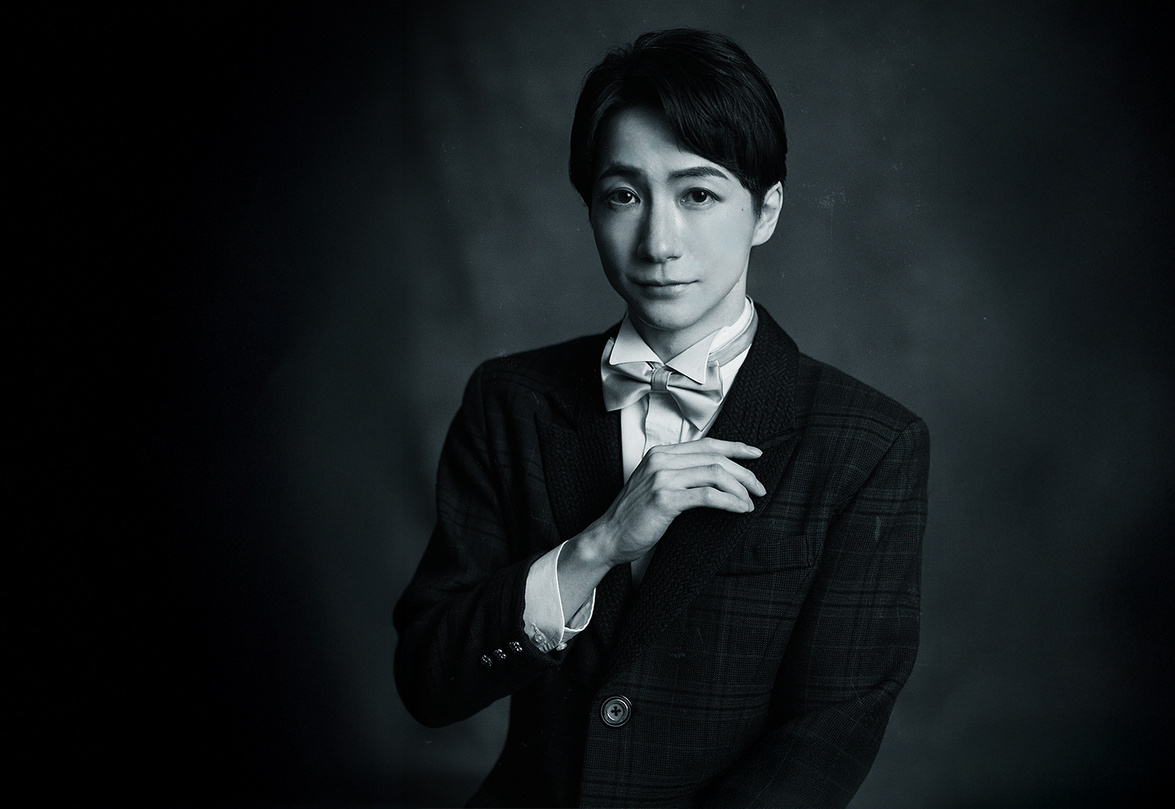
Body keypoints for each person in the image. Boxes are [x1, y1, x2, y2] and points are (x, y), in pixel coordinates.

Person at [394, 28, 929, 808]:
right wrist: (596, 546)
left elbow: (829, 731)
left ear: (766, 211)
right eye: (624, 195)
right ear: (590, 209)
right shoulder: (508, 401)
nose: (658, 241)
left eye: (698, 194)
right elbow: (427, 680)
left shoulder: (870, 444)